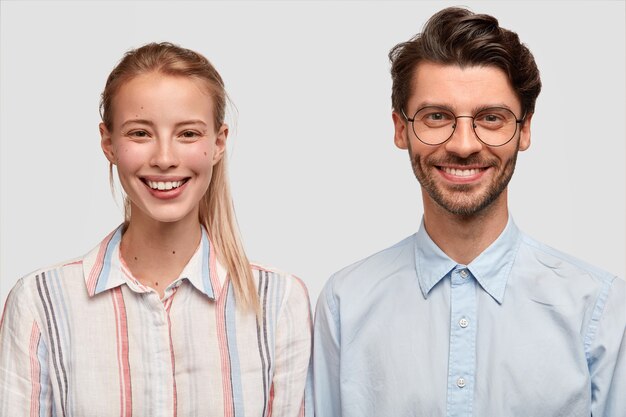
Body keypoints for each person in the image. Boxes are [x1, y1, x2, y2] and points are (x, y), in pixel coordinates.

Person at [313, 7, 625, 417]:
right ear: (401, 129)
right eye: (437, 116)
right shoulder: (345, 304)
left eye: (491, 118)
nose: (463, 144)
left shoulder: (597, 308)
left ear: (525, 129)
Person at [0, 42, 312, 416]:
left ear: (219, 143)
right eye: (140, 134)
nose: (164, 158)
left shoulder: (278, 303)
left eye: (188, 134)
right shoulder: (40, 302)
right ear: (108, 143)